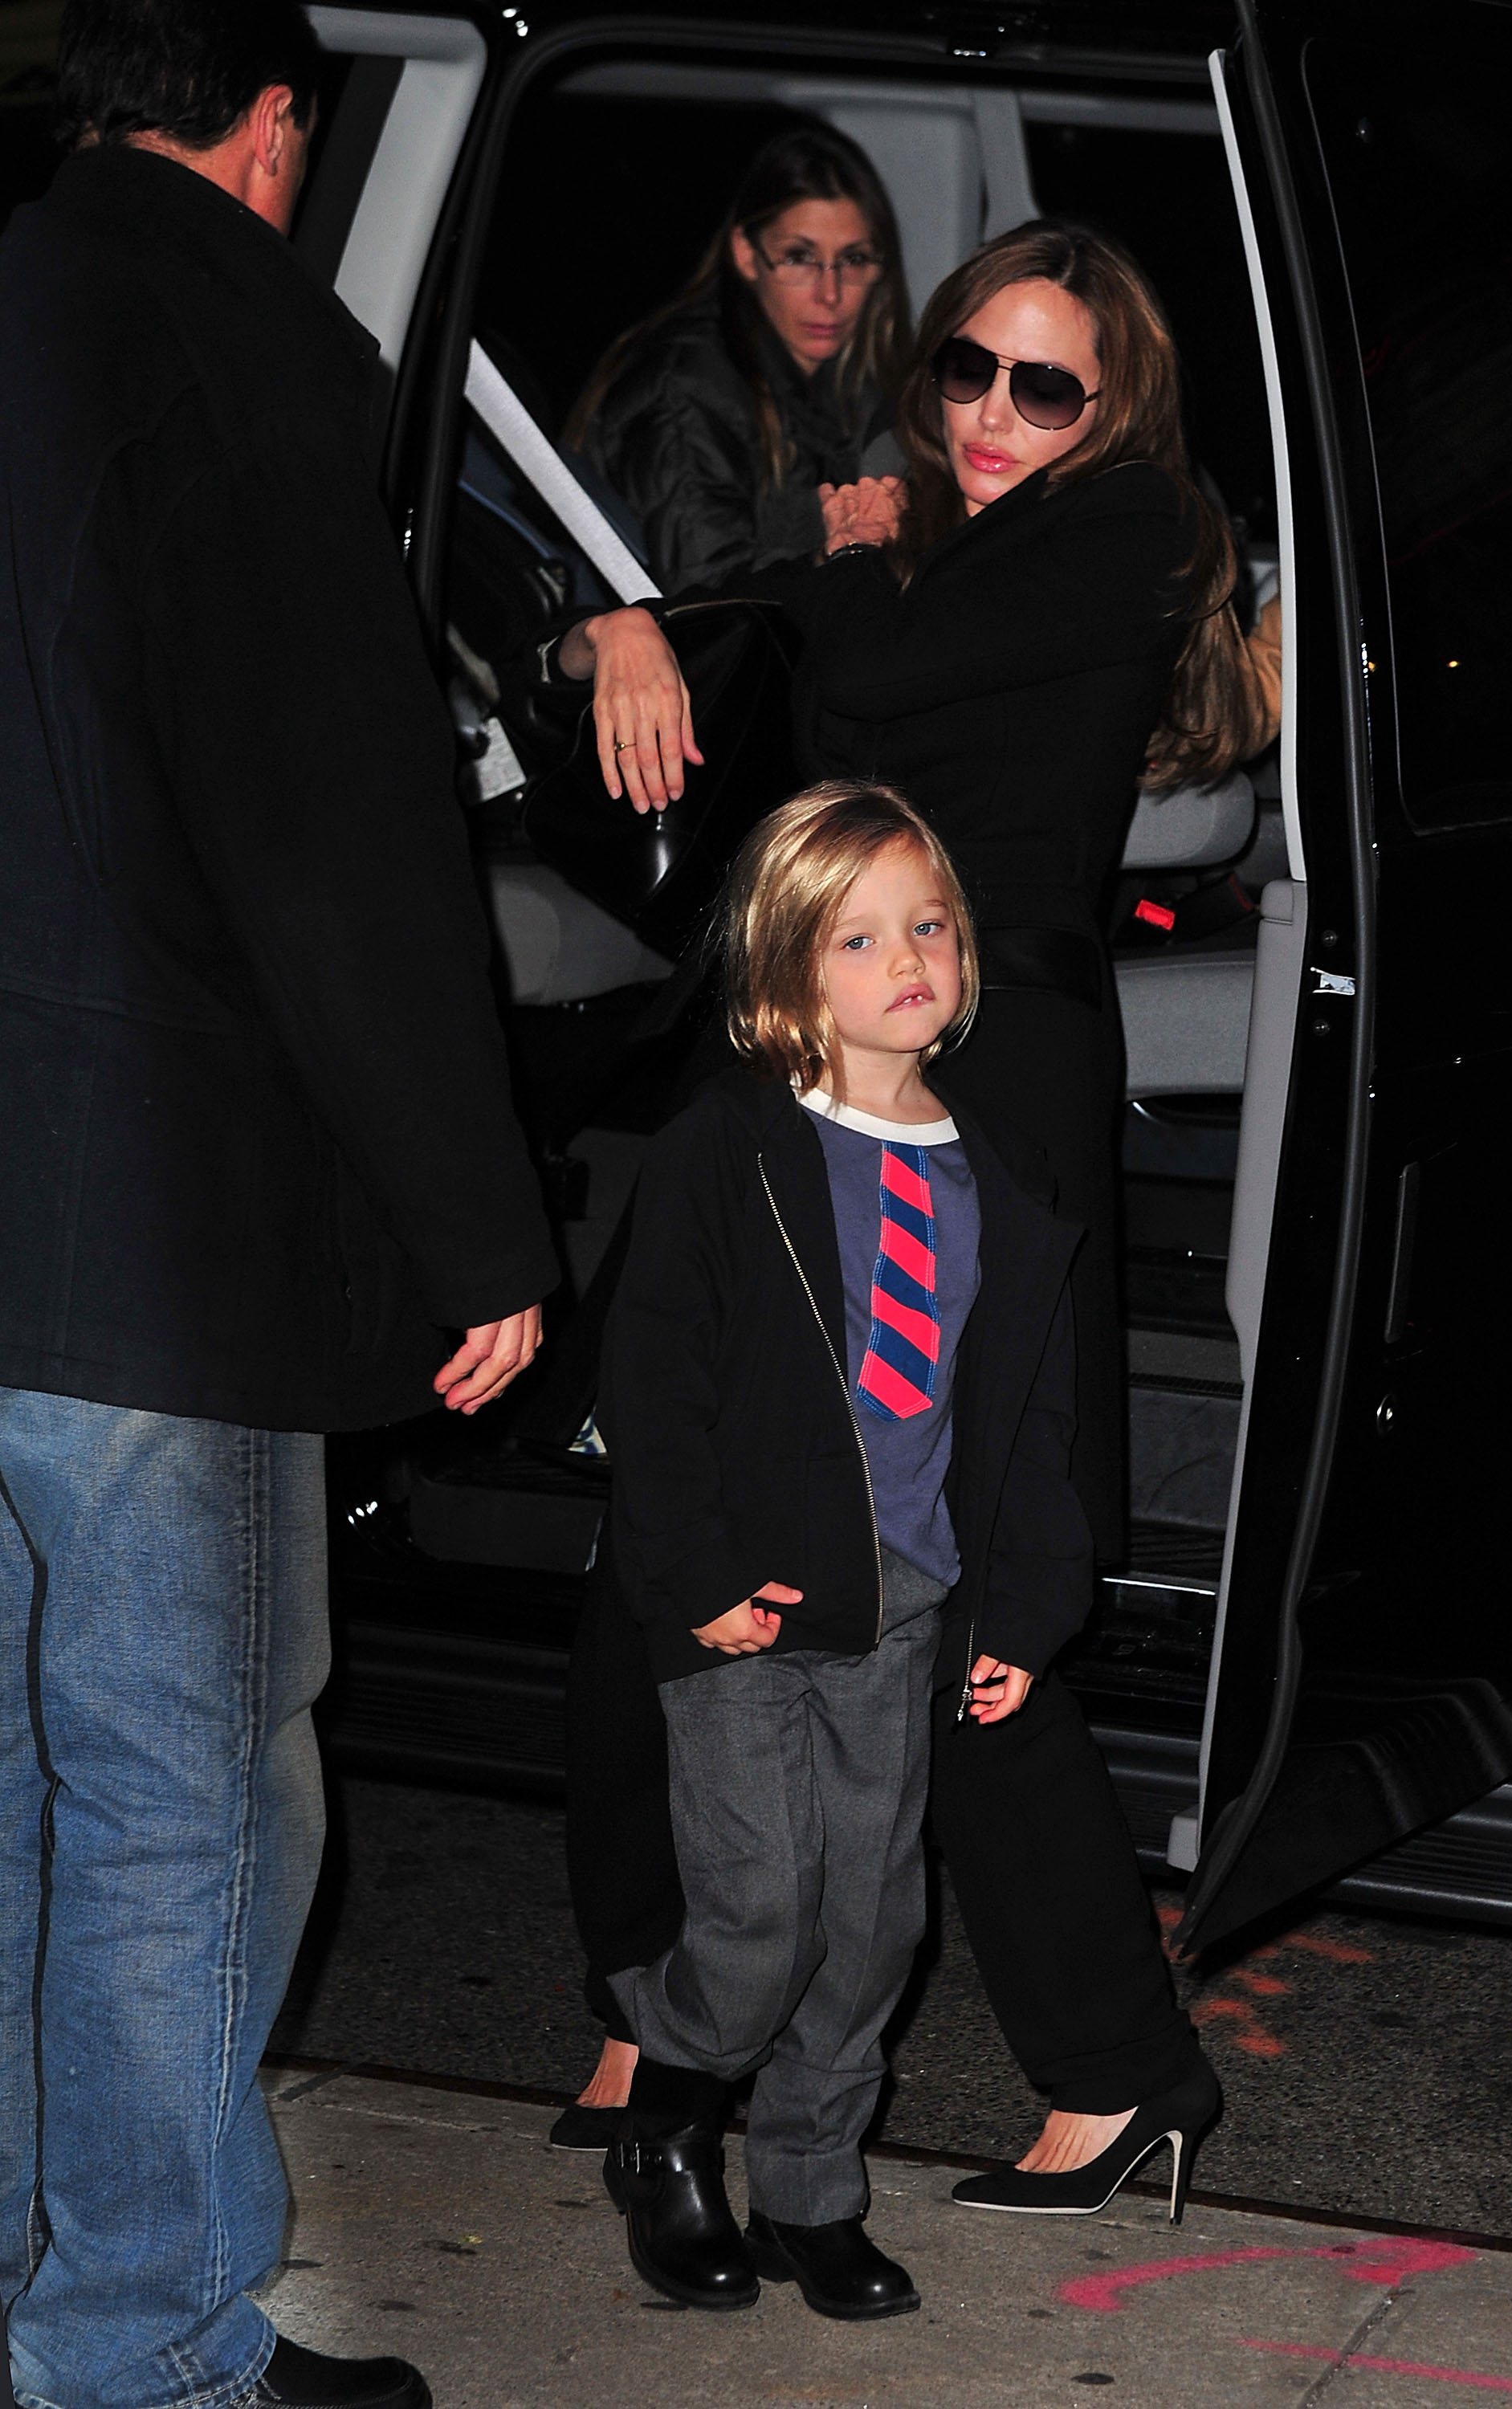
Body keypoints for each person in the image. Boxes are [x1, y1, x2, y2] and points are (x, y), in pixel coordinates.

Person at [552, 222, 1251, 2216]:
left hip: (978, 1090)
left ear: (1112, 403)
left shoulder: (1127, 531)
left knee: (934, 1587)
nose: (996, 416)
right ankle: (650, 1995)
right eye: (968, 372)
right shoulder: (952, 531)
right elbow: (753, 634)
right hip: (823, 1076)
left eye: (1047, 384)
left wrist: (856, 542)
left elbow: (854, 666)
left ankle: (1114, 2065)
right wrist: (625, 623)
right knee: (674, 1520)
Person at [0, 5, 558, 2407]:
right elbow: (340, 852)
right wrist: (478, 1229)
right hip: (148, 1242)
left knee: (30, 1803)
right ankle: (137, 2348)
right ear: (273, 131)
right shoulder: (233, 354)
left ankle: (61, 2301)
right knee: (178, 1802)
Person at [596, 781, 1098, 2316]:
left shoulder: (992, 1181)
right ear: (781, 970)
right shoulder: (732, 1151)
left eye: (928, 927)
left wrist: (1023, 1607)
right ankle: (666, 2126)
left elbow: (1023, 1423)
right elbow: (654, 1383)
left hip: (907, 1611)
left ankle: (810, 2193)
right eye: (860, 936)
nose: (908, 960)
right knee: (760, 1916)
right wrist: (696, 1580)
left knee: (871, 1926)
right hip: (747, 1606)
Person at [561, 122, 911, 594]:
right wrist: (836, 557)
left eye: (853, 261)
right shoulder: (685, 390)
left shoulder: (855, 379)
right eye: (798, 258)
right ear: (747, 255)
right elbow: (707, 599)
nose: (830, 294)